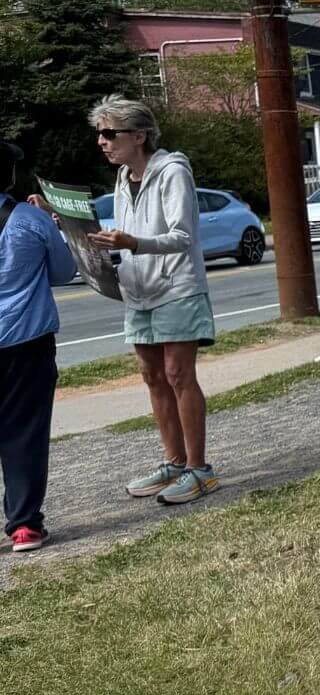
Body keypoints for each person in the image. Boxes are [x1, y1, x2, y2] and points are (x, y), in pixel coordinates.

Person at [88, 96, 221, 506]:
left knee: (179, 374)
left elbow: (183, 237)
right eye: (100, 134)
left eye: (110, 133)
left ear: (139, 135)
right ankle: (174, 461)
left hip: (176, 287)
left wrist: (134, 243)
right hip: (138, 290)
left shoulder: (172, 171)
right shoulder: (124, 178)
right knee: (152, 376)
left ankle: (200, 469)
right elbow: (124, 230)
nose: (102, 142)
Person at [0, 142, 74, 551]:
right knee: (24, 431)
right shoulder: (30, 219)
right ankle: (24, 524)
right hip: (26, 342)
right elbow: (64, 271)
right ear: (9, 175)